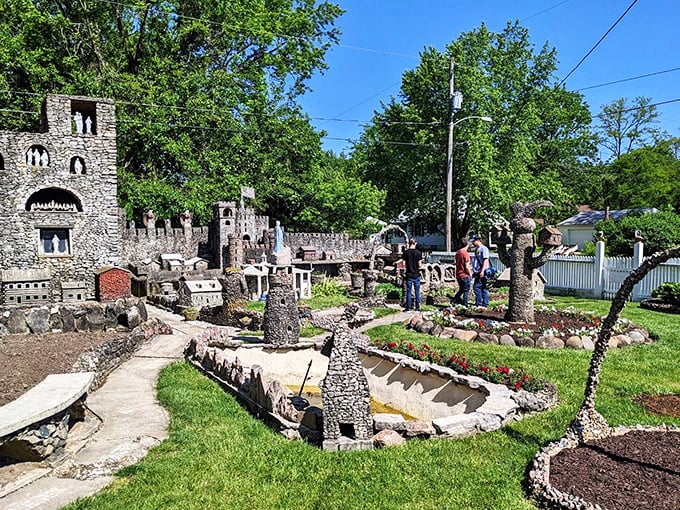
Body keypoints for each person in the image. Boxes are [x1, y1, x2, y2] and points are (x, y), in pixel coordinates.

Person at [402, 238, 422, 311]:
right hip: (416, 274)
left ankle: (408, 308)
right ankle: (417, 308)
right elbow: (420, 265)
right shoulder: (418, 253)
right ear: (415, 243)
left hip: (409, 274)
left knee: (409, 292)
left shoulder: (406, 252)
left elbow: (403, 264)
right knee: (417, 292)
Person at [470, 234, 490, 307]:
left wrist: (482, 271)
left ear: (477, 240)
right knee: (483, 287)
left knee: (477, 287)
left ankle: (479, 304)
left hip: (482, 271)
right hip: (477, 271)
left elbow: (485, 260)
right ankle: (485, 304)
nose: (472, 243)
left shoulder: (484, 249)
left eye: (473, 241)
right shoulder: (477, 249)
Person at [452, 237, 472, 307]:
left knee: (461, 289)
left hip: (458, 274)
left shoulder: (458, 252)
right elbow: (466, 266)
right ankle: (465, 305)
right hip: (464, 275)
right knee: (466, 290)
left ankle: (454, 301)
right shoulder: (465, 254)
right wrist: (470, 274)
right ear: (467, 244)